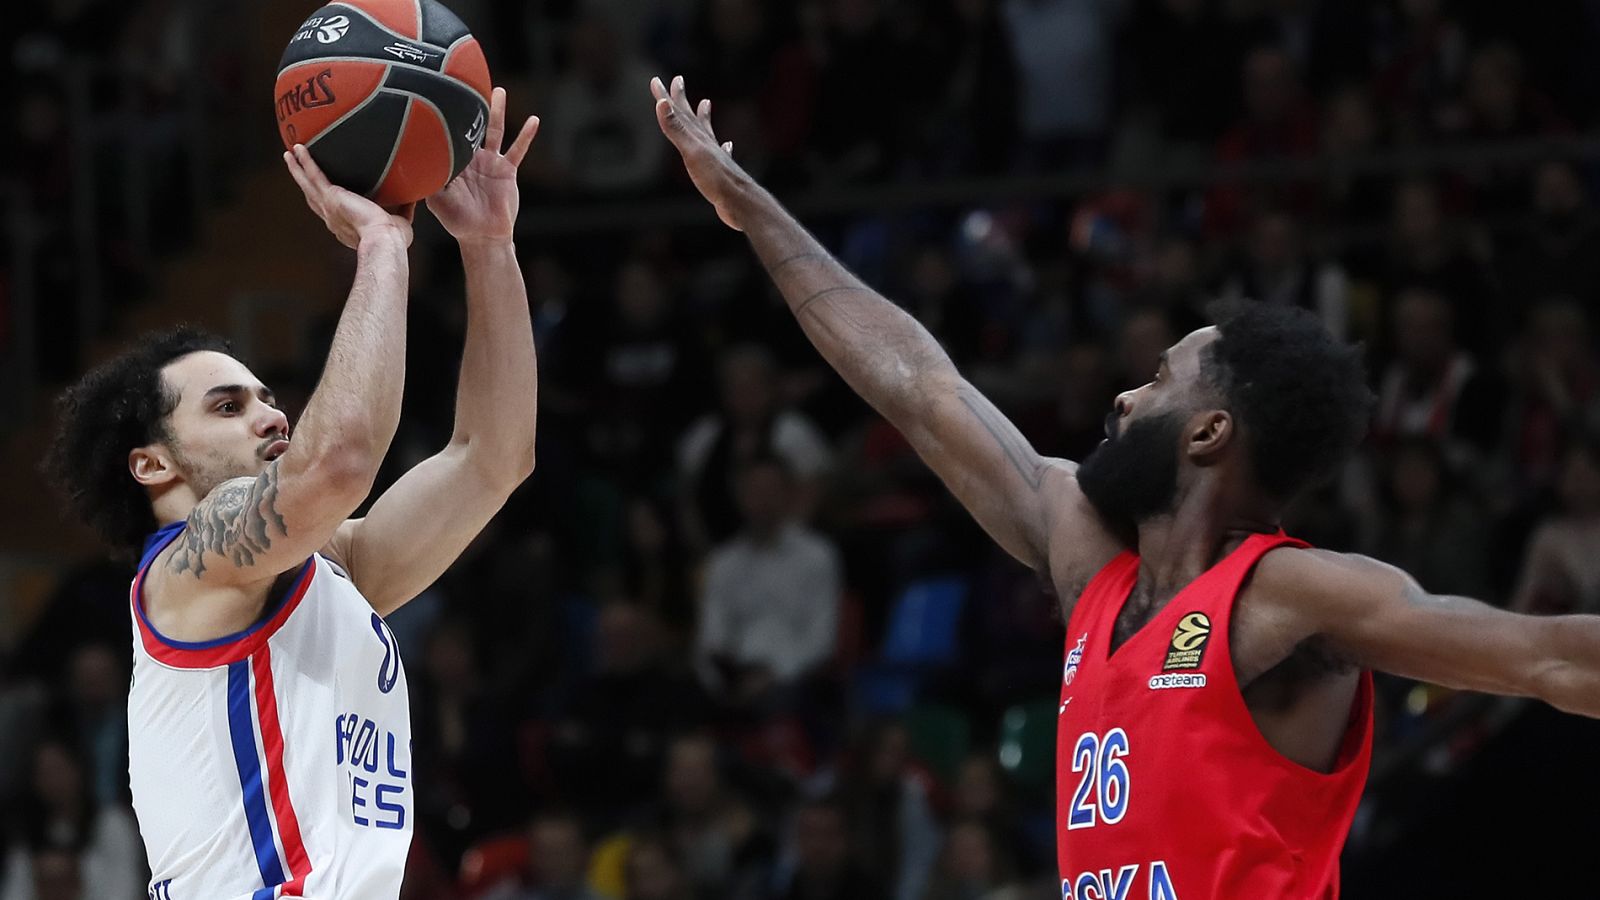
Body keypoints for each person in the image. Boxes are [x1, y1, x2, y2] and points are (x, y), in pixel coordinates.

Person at [651, 74, 1600, 896]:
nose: (1123, 392)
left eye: (1157, 379)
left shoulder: (1288, 597)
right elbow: (921, 388)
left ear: (1210, 431)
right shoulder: (1091, 567)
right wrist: (752, 208)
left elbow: (1547, 659)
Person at [43, 89, 541, 899]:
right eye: (228, 406)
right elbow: (338, 462)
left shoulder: (333, 567)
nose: (271, 414)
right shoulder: (188, 571)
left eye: (268, 396)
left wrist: (489, 248)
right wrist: (383, 243)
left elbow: (492, 459)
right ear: (151, 465)